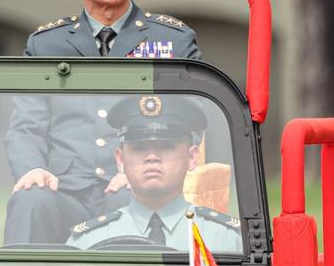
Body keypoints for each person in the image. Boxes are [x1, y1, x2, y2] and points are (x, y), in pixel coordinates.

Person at [4, 0, 202, 245]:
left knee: (137, 201)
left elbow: (193, 124)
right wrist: (34, 170)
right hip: (65, 193)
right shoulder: (46, 44)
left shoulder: (172, 39)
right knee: (30, 200)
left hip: (138, 190)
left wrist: (141, 174)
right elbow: (26, 128)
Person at [69, 95, 242, 252]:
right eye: (139, 148)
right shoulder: (87, 243)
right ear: (120, 160)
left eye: (166, 147)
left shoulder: (226, 241)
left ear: (192, 157)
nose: (152, 157)